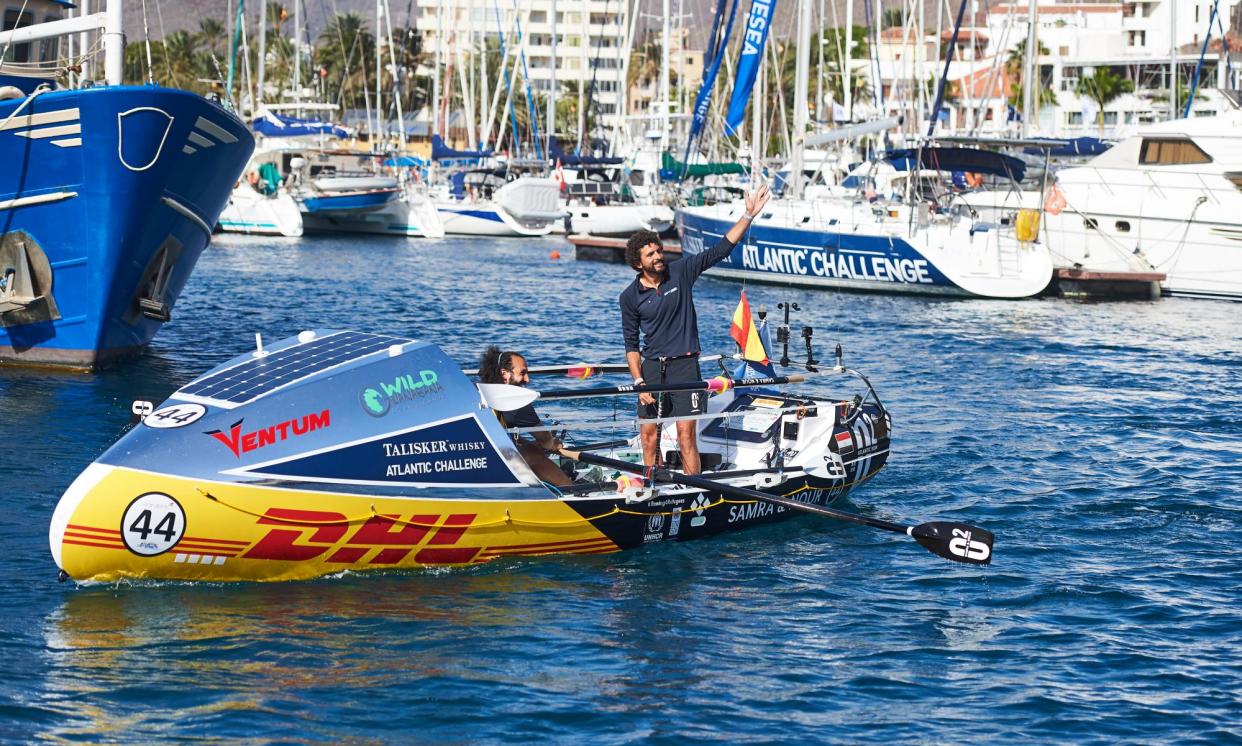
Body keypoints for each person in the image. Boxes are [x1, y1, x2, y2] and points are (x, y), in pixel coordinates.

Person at [619, 184, 771, 474]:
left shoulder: (681, 271)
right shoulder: (629, 297)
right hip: (651, 370)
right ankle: (650, 483)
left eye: (659, 250)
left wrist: (748, 215)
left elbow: (721, 249)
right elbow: (631, 344)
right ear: (638, 263)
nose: (659, 256)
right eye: (651, 254)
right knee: (649, 436)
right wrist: (639, 382)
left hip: (685, 367)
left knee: (686, 435)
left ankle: (693, 487)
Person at [477, 345, 572, 487]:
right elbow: (546, 441)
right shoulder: (515, 401)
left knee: (530, 448)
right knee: (532, 453)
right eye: (523, 373)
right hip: (494, 464)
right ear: (505, 374)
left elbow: (500, 433)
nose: (527, 379)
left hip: (479, 458)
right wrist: (553, 444)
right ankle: (571, 488)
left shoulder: (479, 390)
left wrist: (530, 443)